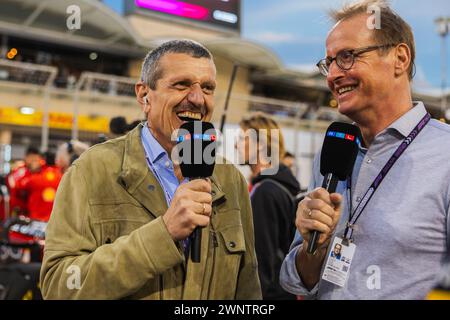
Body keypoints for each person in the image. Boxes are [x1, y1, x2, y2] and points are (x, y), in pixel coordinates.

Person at [40, 39, 261, 300]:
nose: (198, 99)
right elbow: (58, 286)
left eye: (208, 88)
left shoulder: (229, 178)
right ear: (144, 96)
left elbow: (247, 287)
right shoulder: (91, 170)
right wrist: (163, 233)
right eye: (181, 84)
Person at [280, 0, 450, 299]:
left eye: (347, 57)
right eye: (328, 62)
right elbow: (297, 281)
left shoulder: (444, 154)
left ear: (400, 58)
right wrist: (315, 249)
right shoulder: (333, 153)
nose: (333, 75)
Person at [237, 114, 300, 300]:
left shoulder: (266, 192)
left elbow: (261, 261)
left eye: (241, 139)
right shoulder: (270, 187)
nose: (235, 145)